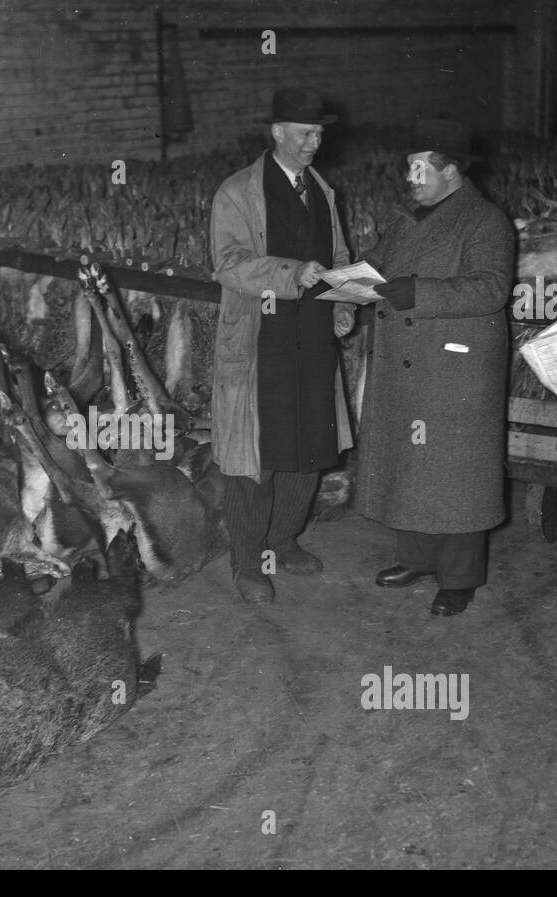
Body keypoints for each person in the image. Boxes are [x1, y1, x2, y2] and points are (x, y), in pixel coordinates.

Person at [355, 118, 515, 616]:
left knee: (457, 472)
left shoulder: (486, 221)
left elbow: (490, 288)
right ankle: (416, 558)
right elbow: (378, 265)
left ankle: (460, 578)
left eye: (421, 169)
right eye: (410, 169)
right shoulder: (408, 219)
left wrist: (418, 294)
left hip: (453, 368)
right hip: (408, 365)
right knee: (412, 464)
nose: (411, 178)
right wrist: (347, 282)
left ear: (452, 172)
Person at [209, 86, 356, 605]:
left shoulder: (322, 190)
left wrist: (343, 303)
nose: (313, 143)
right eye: (303, 134)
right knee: (256, 456)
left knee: (309, 446)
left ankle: (283, 539)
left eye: (319, 134)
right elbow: (227, 264)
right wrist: (294, 273)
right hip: (260, 340)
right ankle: (248, 562)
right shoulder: (237, 192)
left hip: (312, 337)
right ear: (276, 133)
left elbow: (338, 256)